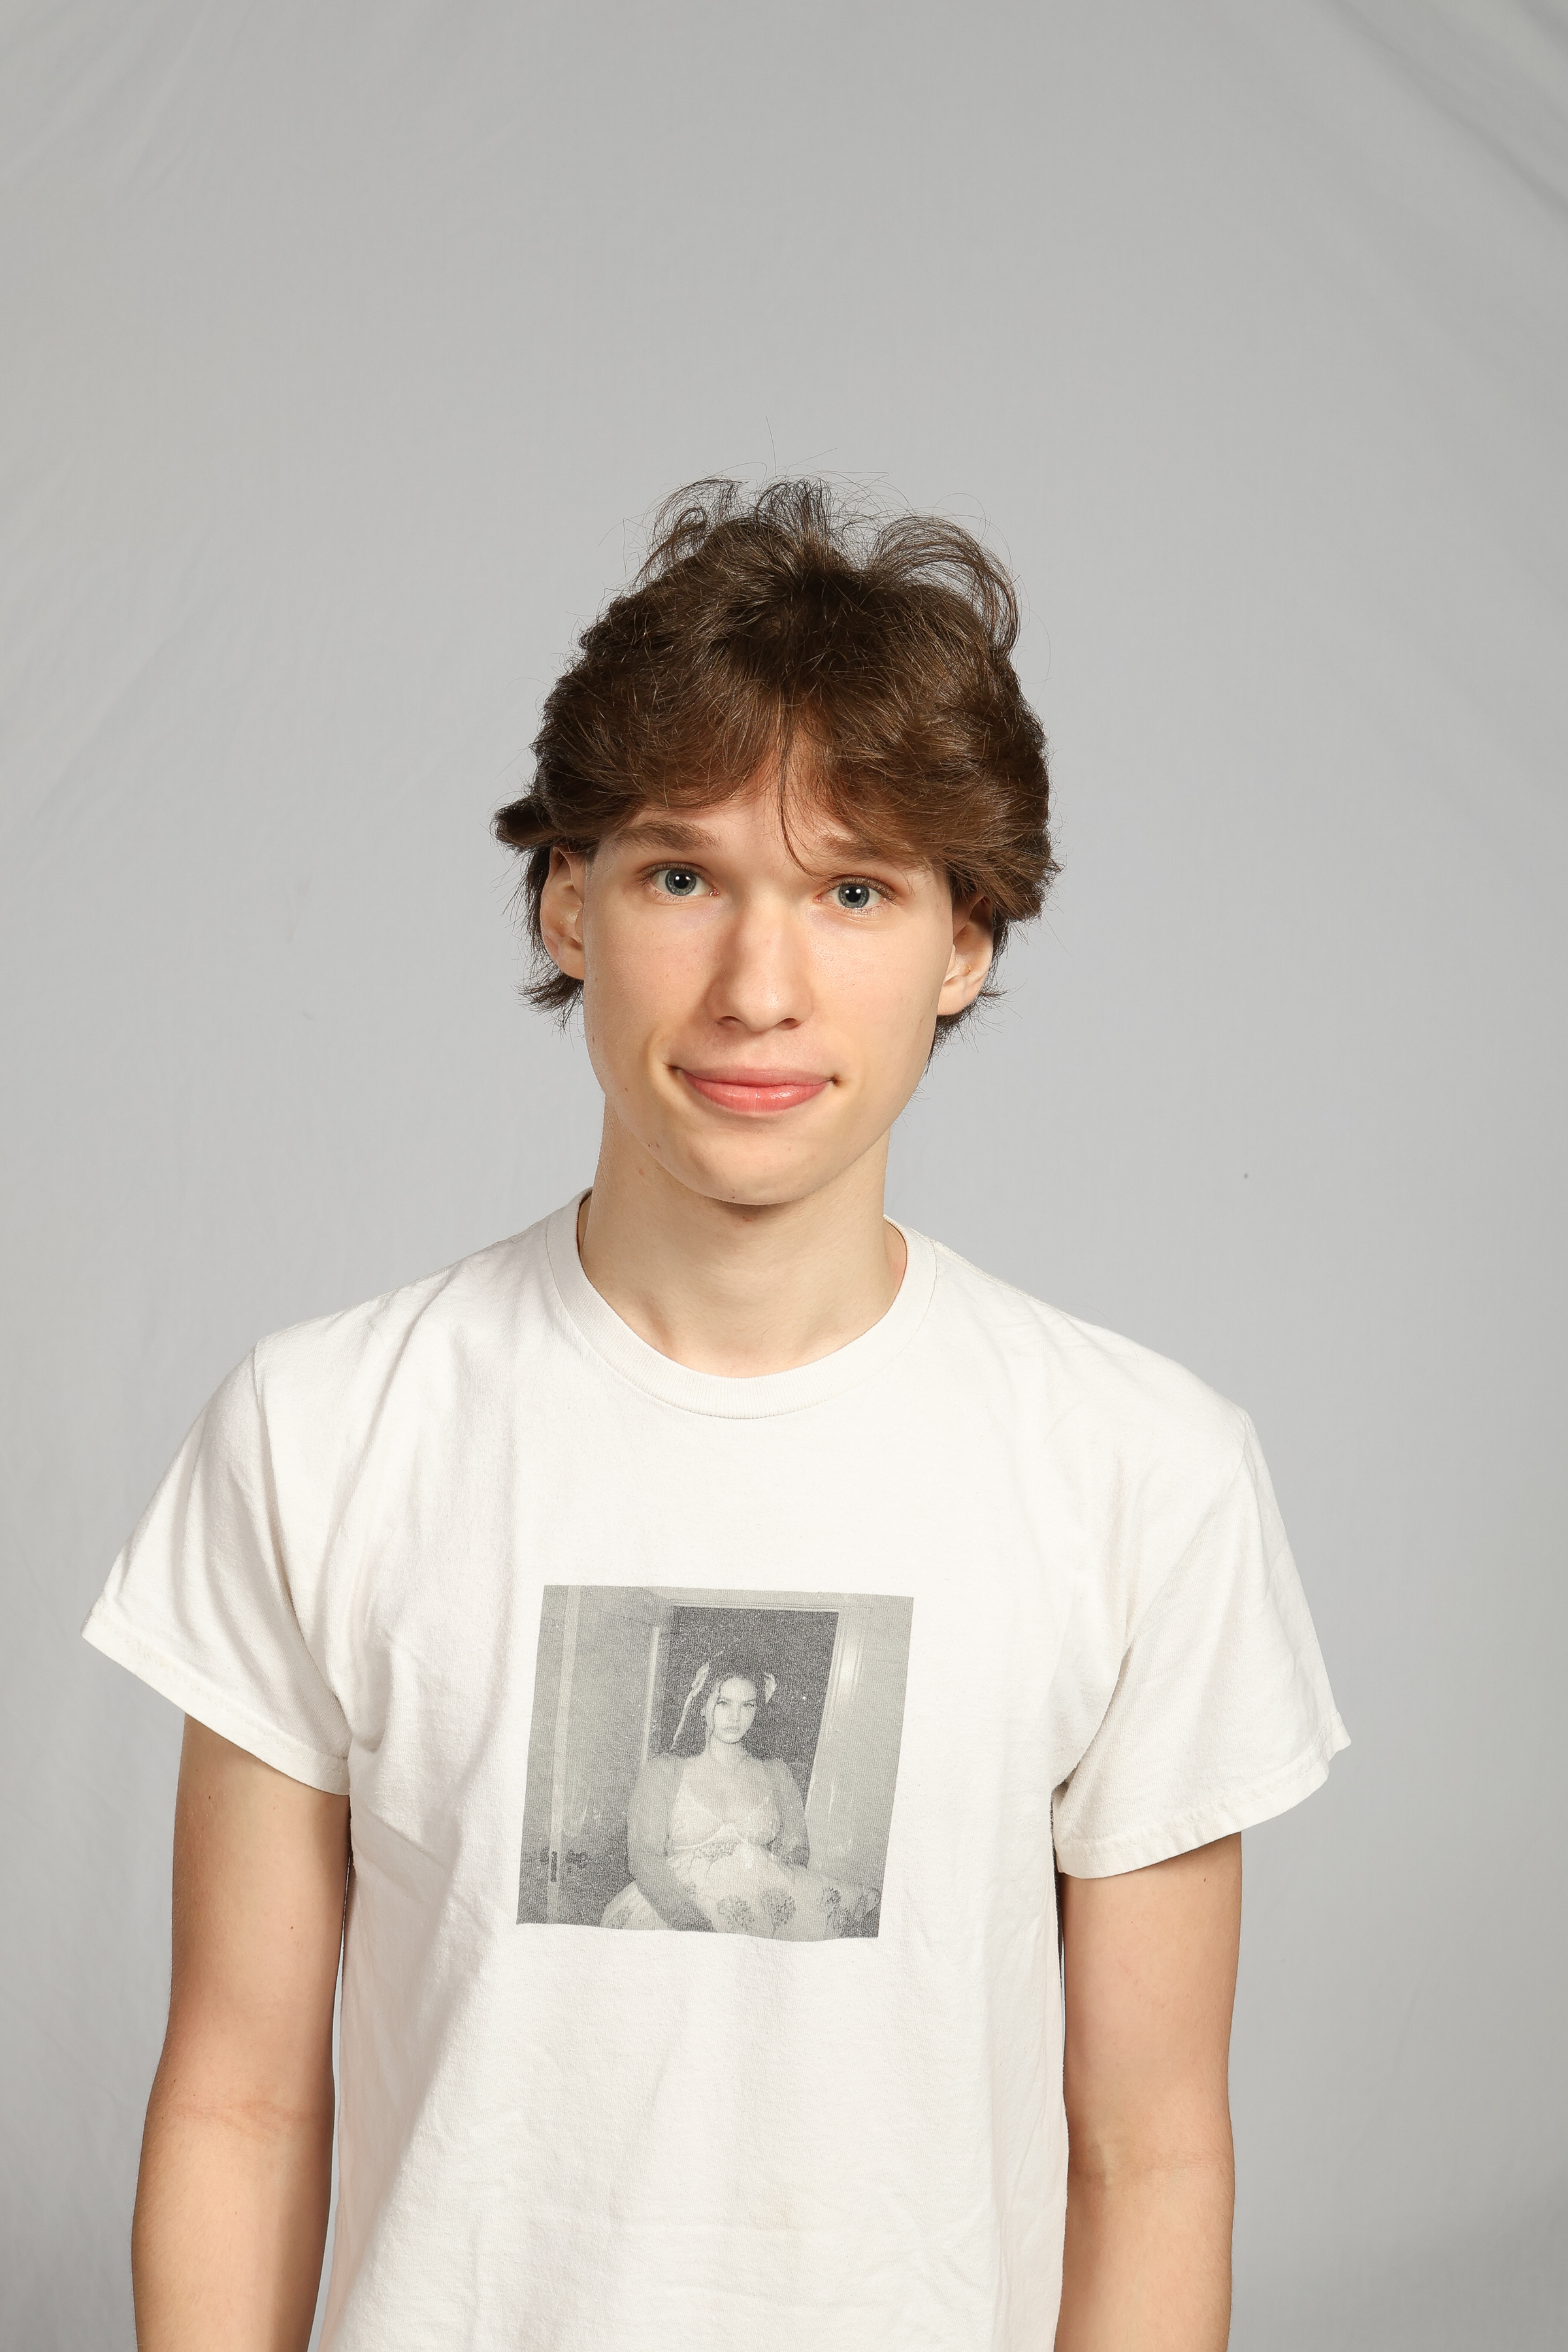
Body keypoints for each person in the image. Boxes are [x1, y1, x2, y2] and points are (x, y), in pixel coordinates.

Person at [85, 478, 1347, 2351]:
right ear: (567, 901)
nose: (762, 991)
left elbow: (1147, 2157)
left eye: (855, 891)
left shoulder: (1142, 1473)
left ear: (967, 942)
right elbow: (242, 2102)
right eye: (683, 877)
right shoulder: (324, 1429)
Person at [600, 1651, 880, 1937]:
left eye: (748, 1705)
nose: (735, 1717)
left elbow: (796, 1853)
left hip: (754, 1923)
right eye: (723, 1703)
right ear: (701, 1705)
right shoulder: (664, 1771)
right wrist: (690, 1922)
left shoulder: (776, 1773)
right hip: (674, 1917)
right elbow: (644, 1855)